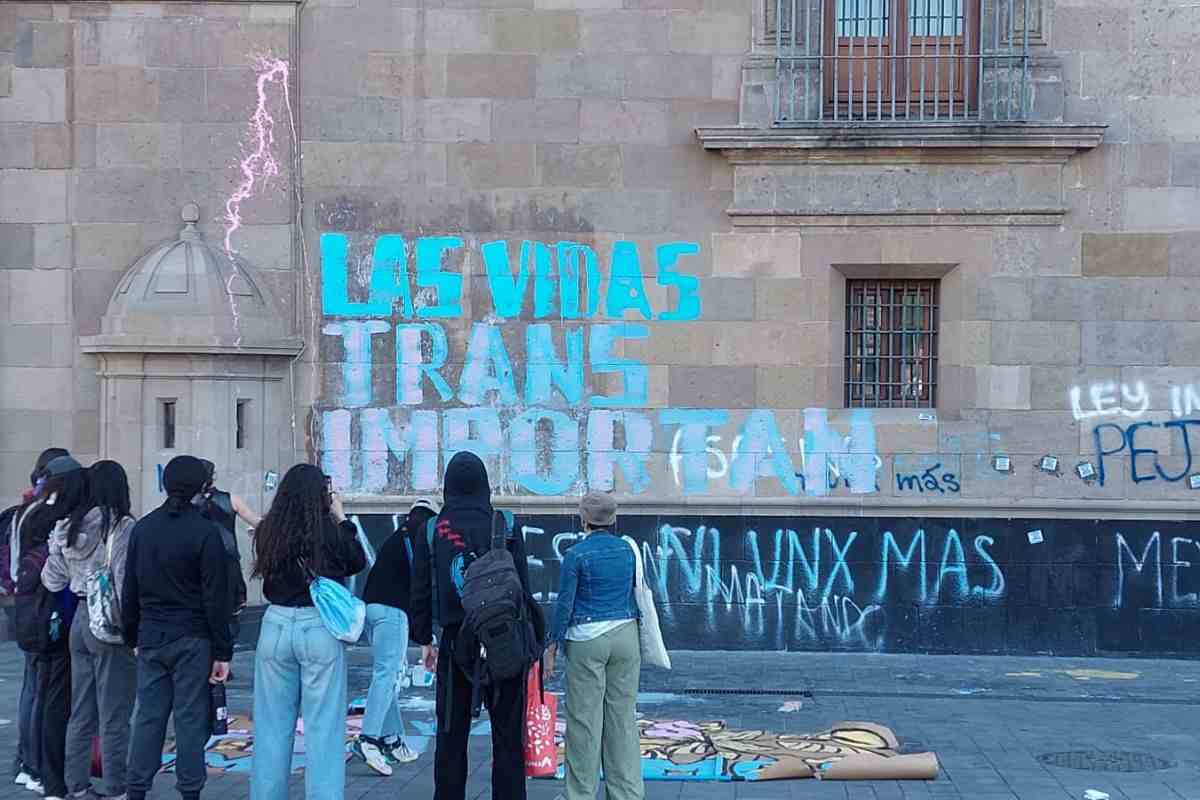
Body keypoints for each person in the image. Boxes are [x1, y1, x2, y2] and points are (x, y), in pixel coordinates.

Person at [410, 452, 541, 800]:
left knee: (451, 738)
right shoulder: (506, 523)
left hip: (455, 644)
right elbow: (523, 590)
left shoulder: (432, 528)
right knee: (508, 739)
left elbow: (421, 589)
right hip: (504, 642)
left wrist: (425, 639)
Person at [249, 464, 367, 800]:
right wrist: (341, 517)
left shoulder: (270, 530)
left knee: (271, 728)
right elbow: (356, 561)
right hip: (318, 628)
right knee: (324, 728)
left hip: (274, 624)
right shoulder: (328, 531)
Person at [123, 455, 233, 800]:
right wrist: (223, 650)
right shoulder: (205, 532)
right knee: (189, 718)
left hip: (152, 634)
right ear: (202, 487)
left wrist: (132, 634)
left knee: (148, 718)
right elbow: (216, 599)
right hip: (193, 637)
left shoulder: (143, 528)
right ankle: (189, 790)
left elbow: (131, 588)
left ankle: (137, 787)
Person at [42, 460, 137, 800]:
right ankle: (116, 788)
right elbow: (125, 581)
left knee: (81, 710)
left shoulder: (69, 525)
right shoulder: (120, 526)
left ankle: (77, 786)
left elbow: (51, 579)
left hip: (80, 619)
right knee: (114, 712)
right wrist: (133, 629)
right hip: (109, 623)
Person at [545, 492, 643, 800]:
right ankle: (626, 793)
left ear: (583, 519)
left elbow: (565, 605)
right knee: (622, 718)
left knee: (584, 722)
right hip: (626, 635)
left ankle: (580, 793)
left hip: (588, 640)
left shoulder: (576, 555)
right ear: (613, 519)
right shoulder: (628, 550)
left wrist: (552, 646)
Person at [352, 498, 439, 775]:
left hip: (371, 609)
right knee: (387, 675)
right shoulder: (420, 540)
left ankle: (391, 738)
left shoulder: (397, 537)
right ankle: (368, 739)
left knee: (386, 675)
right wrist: (425, 637)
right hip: (393, 613)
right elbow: (419, 589)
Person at [20, 456, 88, 800]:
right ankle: (54, 775)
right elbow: (54, 577)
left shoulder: (30, 512)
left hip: (37, 617)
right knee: (58, 698)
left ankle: (41, 770)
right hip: (60, 617)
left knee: (43, 694)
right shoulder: (60, 520)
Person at [2, 447, 69, 792]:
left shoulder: (20, 512)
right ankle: (35, 764)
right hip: (42, 607)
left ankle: (26, 762)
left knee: (32, 687)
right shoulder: (42, 514)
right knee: (42, 690)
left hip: (21, 603)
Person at [196, 460, 258, 646]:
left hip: (198, 562)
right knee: (229, 613)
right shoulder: (230, 499)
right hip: (227, 561)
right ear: (213, 476)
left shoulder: (188, 503)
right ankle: (224, 657)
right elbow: (257, 522)